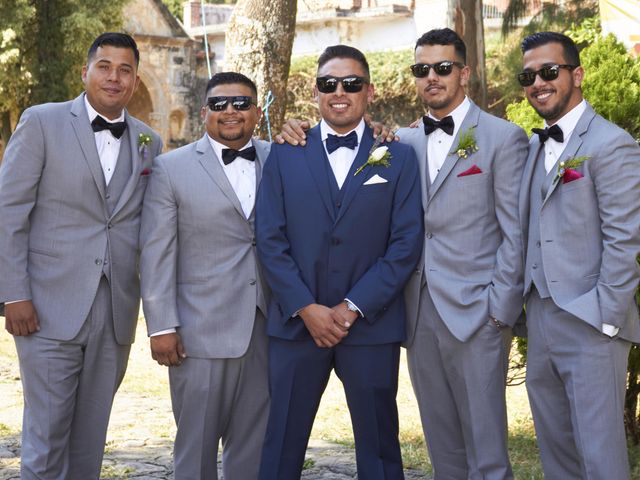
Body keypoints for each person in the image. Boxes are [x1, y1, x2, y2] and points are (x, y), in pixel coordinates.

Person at [255, 44, 423, 479]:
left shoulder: (398, 156)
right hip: (297, 325)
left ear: (369, 90)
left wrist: (351, 307)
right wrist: (306, 308)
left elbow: (404, 243)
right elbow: (269, 240)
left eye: (351, 83)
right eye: (329, 83)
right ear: (316, 92)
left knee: (381, 449)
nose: (340, 92)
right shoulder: (285, 153)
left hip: (369, 326)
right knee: (280, 449)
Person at [0, 32, 161, 479]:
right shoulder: (42, 122)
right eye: (105, 66)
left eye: (125, 69)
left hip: (114, 314)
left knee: (90, 442)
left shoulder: (150, 142)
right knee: (46, 439)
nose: (115, 77)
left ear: (134, 79)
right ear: (85, 72)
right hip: (47, 308)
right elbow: (8, 211)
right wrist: (13, 294)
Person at [397, 28, 528, 479]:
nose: (432, 77)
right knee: (442, 447)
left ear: (464, 73)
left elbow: (515, 232)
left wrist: (500, 312)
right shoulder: (402, 141)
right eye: (422, 69)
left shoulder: (503, 138)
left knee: (487, 451)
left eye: (442, 68)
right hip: (418, 312)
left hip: (478, 313)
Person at [518, 31, 640, 479]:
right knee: (558, 455)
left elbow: (625, 240)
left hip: (592, 323)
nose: (538, 83)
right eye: (528, 75)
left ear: (577, 74)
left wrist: (606, 317)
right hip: (540, 318)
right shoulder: (532, 147)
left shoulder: (611, 144)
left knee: (600, 457)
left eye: (549, 72)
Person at [139, 72, 270, 480]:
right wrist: (161, 325)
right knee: (195, 450)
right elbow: (156, 252)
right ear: (203, 113)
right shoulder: (171, 168)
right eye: (219, 104)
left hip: (267, 328)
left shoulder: (282, 157)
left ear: (257, 110)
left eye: (241, 102)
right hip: (198, 332)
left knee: (255, 445)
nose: (230, 111)